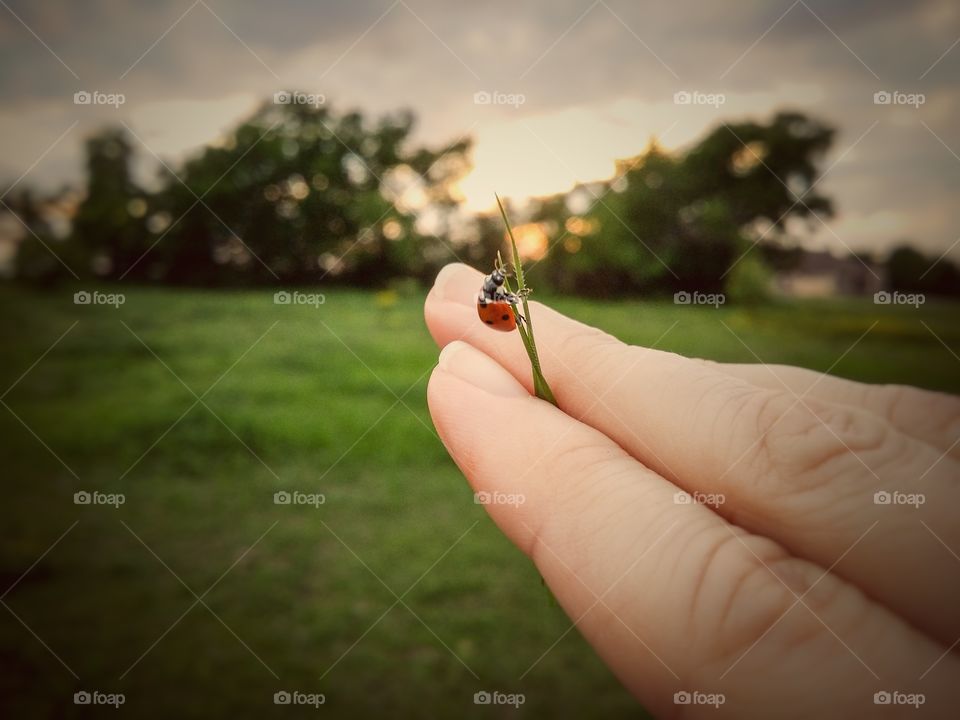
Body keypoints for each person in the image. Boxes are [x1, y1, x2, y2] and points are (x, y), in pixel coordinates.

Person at [424, 263, 960, 718]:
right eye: (502, 287)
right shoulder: (499, 305)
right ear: (499, 293)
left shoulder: (495, 304)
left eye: (501, 287)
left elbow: (500, 306)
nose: (502, 290)